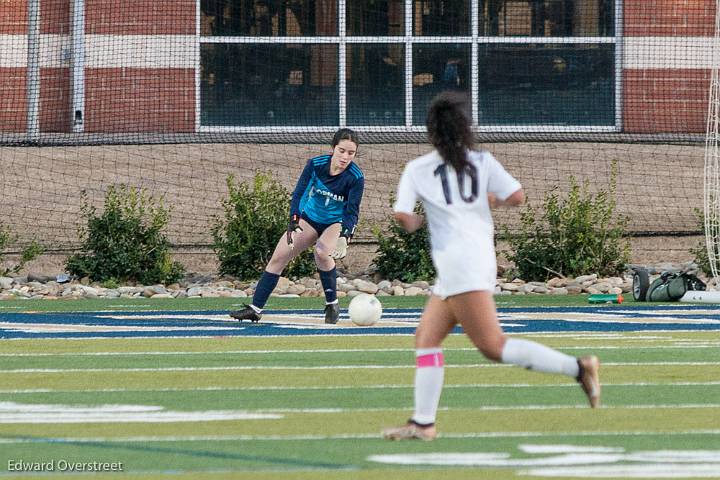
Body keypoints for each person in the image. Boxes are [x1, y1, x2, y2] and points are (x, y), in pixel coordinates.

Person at [382, 91, 600, 441]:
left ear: (431, 131)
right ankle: (423, 423)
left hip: (458, 263)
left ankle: (577, 368)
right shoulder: (481, 162)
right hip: (477, 258)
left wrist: (416, 223)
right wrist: (490, 200)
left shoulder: (418, 169)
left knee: (492, 346)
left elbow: (403, 216)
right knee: (426, 337)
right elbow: (517, 196)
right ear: (465, 128)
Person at [230, 128, 364, 325]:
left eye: (350, 153)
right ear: (333, 148)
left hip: (334, 223)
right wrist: (294, 220)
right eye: (341, 151)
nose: (345, 157)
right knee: (279, 256)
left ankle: (332, 304)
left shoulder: (355, 177)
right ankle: (255, 309)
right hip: (309, 219)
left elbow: (351, 211)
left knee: (322, 252)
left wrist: (345, 236)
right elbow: (300, 193)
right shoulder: (316, 165)